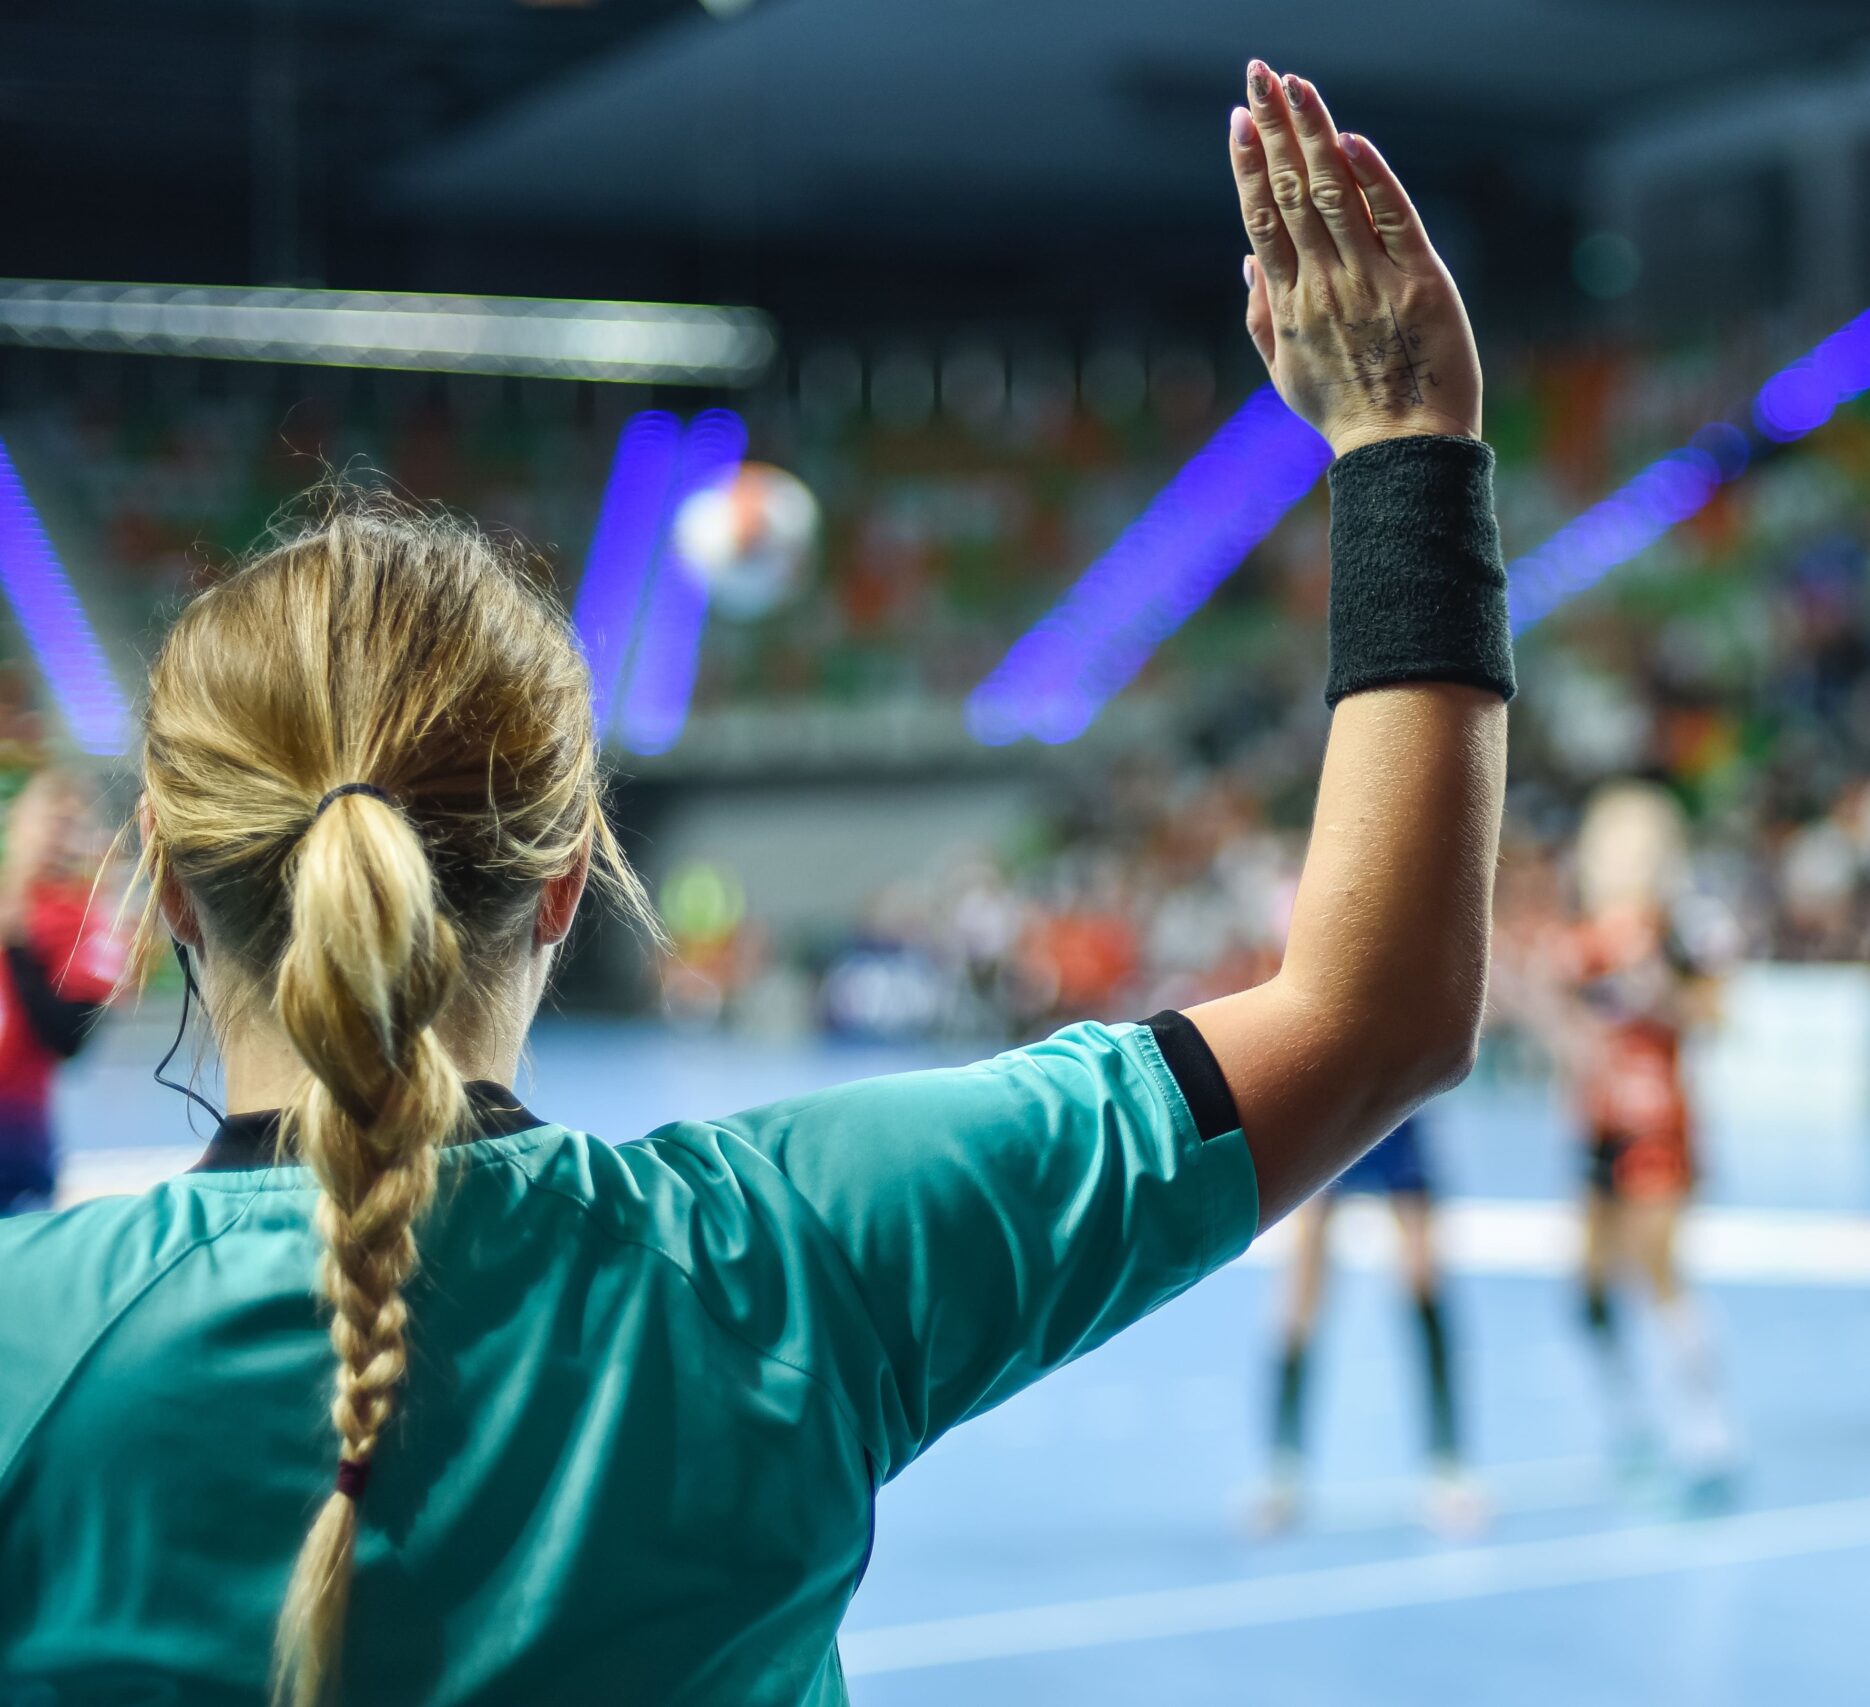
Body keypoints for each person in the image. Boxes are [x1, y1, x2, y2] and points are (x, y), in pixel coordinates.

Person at [0, 63, 1513, 1707]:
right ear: (571, 872)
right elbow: (1380, 1015)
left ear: (158, 861)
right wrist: (1405, 446)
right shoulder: (793, 1254)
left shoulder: (32, 1344)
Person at [1525, 781, 1738, 1504]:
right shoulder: (1582, 935)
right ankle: (1630, 1415)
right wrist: (1567, 1031)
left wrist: (1659, 994)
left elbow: (1714, 1015)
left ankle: (1707, 1437)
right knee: (1588, 1283)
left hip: (1658, 1124)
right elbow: (1552, 1014)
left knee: (1660, 1271)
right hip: (1596, 1125)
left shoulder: (1683, 928)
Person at [1250, 1109, 1486, 1539]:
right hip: (1332, 1107)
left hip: (1395, 1104)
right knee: (1301, 1291)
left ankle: (1447, 1464)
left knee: (1423, 1281)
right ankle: (1282, 1470)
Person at [0, 770, 124, 1215]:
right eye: (47, 819)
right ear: (18, 820)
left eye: (70, 824)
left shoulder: (83, 920)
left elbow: (71, 1036)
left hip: (14, 1132)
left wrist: (17, 948)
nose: (55, 835)